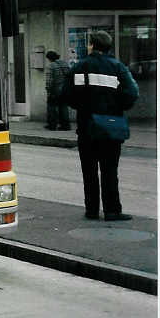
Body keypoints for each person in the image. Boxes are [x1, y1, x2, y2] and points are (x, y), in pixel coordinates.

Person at [60, 31, 139, 221]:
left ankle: (92, 210)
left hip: (87, 126)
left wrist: (84, 107)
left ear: (92, 46)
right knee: (110, 170)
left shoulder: (80, 67)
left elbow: (67, 94)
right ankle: (112, 210)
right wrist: (116, 107)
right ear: (108, 47)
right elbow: (132, 93)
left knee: (89, 171)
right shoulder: (118, 67)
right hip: (111, 128)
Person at [44, 50, 70, 130]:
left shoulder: (51, 66)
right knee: (63, 107)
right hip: (65, 89)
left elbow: (49, 80)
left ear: (49, 58)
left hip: (55, 90)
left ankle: (52, 125)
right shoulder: (65, 64)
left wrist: (48, 90)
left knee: (51, 107)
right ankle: (65, 126)